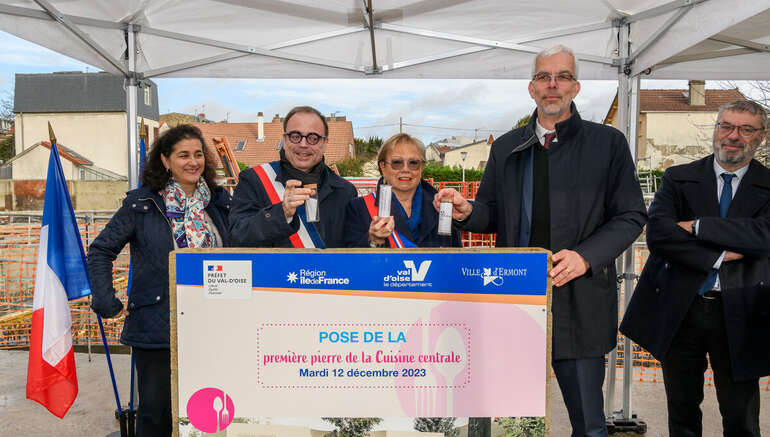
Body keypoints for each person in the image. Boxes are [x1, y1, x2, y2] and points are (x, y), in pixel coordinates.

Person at [434, 45, 647, 437]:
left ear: (576, 87)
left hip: (581, 303)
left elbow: (632, 214)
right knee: (517, 422)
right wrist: (467, 212)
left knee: (589, 424)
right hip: (517, 299)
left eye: (562, 76)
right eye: (543, 77)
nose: (553, 84)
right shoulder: (506, 147)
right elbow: (491, 214)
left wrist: (585, 257)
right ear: (531, 88)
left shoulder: (608, 144)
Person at [620, 100, 770, 437]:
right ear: (716, 129)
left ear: (762, 136)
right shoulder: (679, 177)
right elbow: (659, 235)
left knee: (741, 415)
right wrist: (717, 256)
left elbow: (764, 237)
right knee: (682, 410)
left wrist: (698, 226)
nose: (733, 136)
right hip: (681, 311)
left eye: (746, 129)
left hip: (742, 312)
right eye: (726, 126)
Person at [88, 125, 231, 437]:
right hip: (156, 327)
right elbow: (100, 250)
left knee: (209, 412)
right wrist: (105, 299)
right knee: (156, 415)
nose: (193, 162)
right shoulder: (142, 205)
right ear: (166, 161)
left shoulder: (219, 202)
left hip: (214, 326)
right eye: (183, 155)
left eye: (198, 154)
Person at [229, 106, 357, 248]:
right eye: (295, 136)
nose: (303, 144)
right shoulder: (254, 180)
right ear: (284, 140)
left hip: (331, 271)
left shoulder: (345, 191)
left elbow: (354, 250)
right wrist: (281, 213)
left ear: (325, 143)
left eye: (313, 138)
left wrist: (374, 239)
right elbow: (237, 237)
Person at [345, 133, 462, 248]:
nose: (405, 169)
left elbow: (456, 259)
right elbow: (350, 263)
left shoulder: (442, 207)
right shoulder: (359, 208)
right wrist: (373, 241)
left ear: (422, 167)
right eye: (397, 163)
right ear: (383, 167)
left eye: (413, 163)